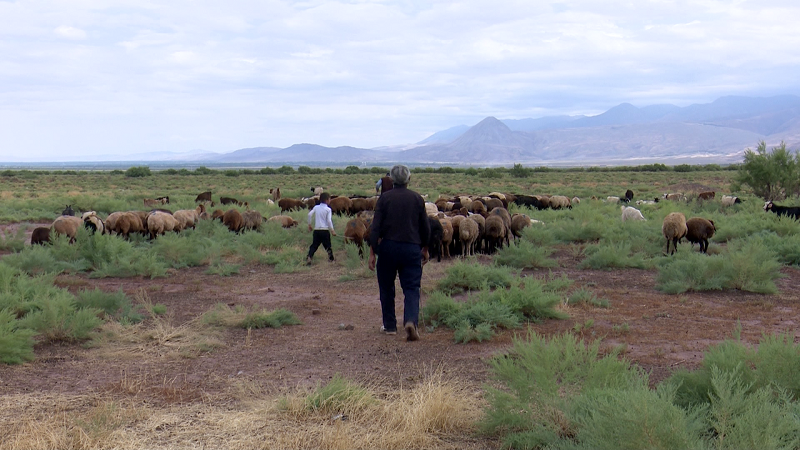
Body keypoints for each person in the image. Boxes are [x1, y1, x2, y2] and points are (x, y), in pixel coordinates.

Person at [368, 165, 430, 341]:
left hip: (388, 247)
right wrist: (425, 247)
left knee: (386, 287)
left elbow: (375, 228)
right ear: (409, 180)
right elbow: (425, 227)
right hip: (411, 248)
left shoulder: (384, 198)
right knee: (412, 288)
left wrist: (373, 252)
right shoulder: (417, 198)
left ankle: (389, 326)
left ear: (392, 180)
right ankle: (411, 321)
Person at [306, 192, 336, 264]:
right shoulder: (328, 209)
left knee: (314, 245)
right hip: (324, 230)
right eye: (329, 199)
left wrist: (309, 224)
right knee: (328, 246)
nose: (330, 201)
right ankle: (331, 259)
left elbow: (309, 214)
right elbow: (329, 220)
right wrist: (332, 230)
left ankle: (309, 257)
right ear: (326, 200)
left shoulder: (316, 207)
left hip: (316, 230)